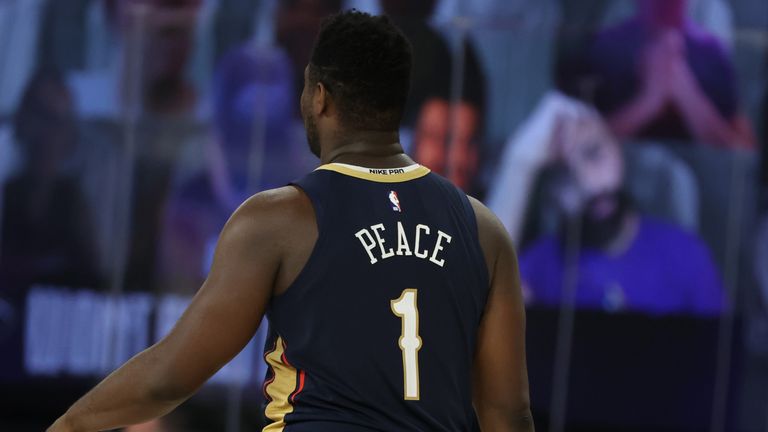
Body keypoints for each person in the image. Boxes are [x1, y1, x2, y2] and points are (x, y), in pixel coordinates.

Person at [47, 11, 533, 432]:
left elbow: (170, 377)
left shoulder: (282, 218)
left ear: (318, 96)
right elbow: (507, 415)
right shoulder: (483, 230)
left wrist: (70, 423)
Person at [515, 106, 724, 315]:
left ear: (618, 152)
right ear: (551, 193)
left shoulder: (687, 255)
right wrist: (518, 164)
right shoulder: (537, 265)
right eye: (563, 173)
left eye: (594, 154)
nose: (588, 183)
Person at [583, 0, 755, 149]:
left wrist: (686, 92)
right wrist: (648, 101)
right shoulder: (610, 44)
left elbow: (743, 150)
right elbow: (578, 139)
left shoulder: (711, 52)